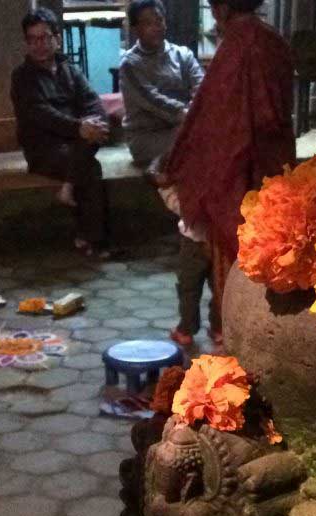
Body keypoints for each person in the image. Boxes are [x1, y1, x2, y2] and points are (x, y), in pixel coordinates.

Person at [163, 0, 296, 348]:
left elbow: (218, 124)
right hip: (275, 164)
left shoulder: (238, 46)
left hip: (240, 173)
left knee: (236, 257)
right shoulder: (273, 40)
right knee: (276, 247)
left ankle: (237, 341)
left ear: (221, 9)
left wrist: (185, 163)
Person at [11, 8, 111, 259]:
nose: (39, 45)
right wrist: (79, 127)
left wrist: (92, 123)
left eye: (44, 38)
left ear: (57, 38)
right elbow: (41, 114)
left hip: (75, 142)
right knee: (90, 166)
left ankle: (71, 195)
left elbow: (93, 102)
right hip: (44, 149)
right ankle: (91, 241)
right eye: (32, 40)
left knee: (94, 135)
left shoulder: (70, 69)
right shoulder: (22, 77)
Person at [119, 0, 203, 173]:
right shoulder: (130, 64)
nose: (156, 27)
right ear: (135, 29)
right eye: (148, 23)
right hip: (147, 136)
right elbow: (153, 101)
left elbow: (203, 88)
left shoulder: (183, 54)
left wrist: (199, 110)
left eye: (159, 20)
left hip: (184, 125)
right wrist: (189, 115)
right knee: (200, 141)